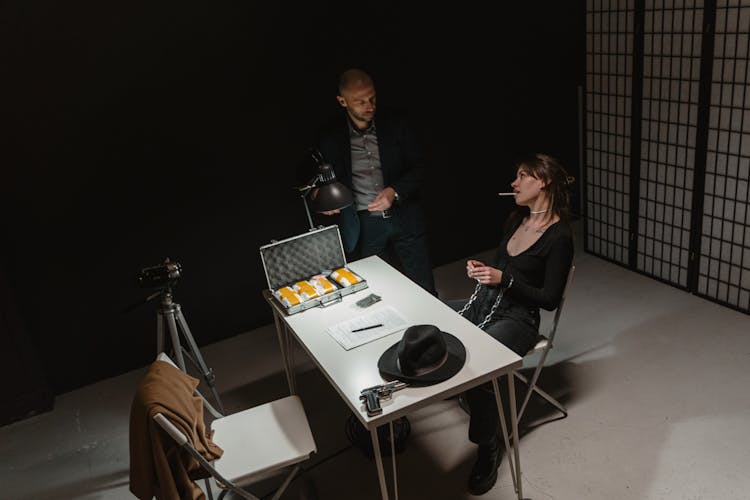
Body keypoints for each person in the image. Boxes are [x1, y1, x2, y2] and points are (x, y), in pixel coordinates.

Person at [446, 153, 575, 495]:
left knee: (483, 365)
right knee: (438, 317)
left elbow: (548, 299)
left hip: (520, 318)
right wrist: (482, 271)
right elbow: (505, 270)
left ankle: (488, 447)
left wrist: (502, 279)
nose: (513, 183)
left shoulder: (560, 237)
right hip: (490, 302)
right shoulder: (514, 219)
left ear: (543, 181)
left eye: (521, 176)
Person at [314, 68, 437, 295]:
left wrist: (395, 191)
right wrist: (322, 198)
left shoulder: (397, 124)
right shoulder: (330, 138)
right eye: (359, 101)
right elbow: (317, 182)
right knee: (378, 294)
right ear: (342, 101)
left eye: (372, 98)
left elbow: (421, 167)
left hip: (405, 217)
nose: (369, 105)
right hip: (365, 225)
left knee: (425, 289)